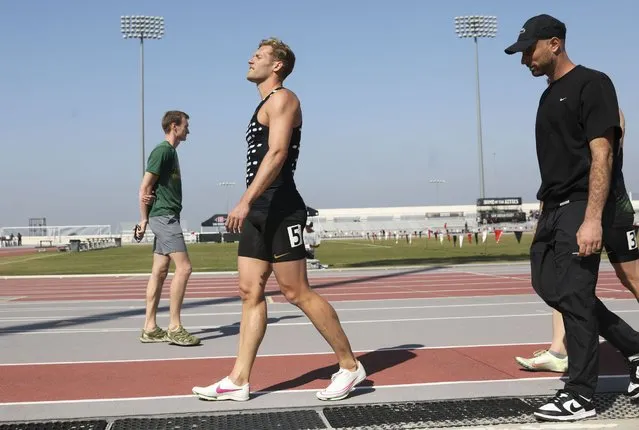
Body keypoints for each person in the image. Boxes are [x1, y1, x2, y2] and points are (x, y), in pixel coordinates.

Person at [192, 38, 366, 402]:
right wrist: (250, 206)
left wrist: (243, 200)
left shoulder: (284, 98)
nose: (251, 58)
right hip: (259, 211)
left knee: (294, 292)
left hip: (281, 206)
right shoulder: (264, 103)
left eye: (259, 55)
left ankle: (350, 366)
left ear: (277, 66)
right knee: (249, 291)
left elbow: (278, 153)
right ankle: (238, 380)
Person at [505, 14, 639, 422]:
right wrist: (545, 209)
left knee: (577, 297)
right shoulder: (548, 95)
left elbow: (603, 154)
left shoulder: (592, 83)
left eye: (529, 49)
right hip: (553, 207)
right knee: (550, 287)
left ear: (554, 44)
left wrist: (593, 219)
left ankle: (581, 394)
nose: (524, 57)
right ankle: (633, 346)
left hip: (583, 205)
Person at [515, 105, 639, 373]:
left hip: (613, 207)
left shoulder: (607, 110)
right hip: (576, 209)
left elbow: (605, 157)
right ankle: (559, 351)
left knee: (631, 277)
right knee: (565, 279)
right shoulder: (564, 113)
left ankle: (629, 346)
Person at [135, 110, 200, 347]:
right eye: (186, 125)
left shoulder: (170, 153)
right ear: (175, 126)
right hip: (164, 218)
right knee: (184, 268)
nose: (188, 130)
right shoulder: (162, 151)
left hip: (164, 216)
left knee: (160, 271)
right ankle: (175, 327)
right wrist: (144, 220)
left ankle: (150, 328)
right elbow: (144, 189)